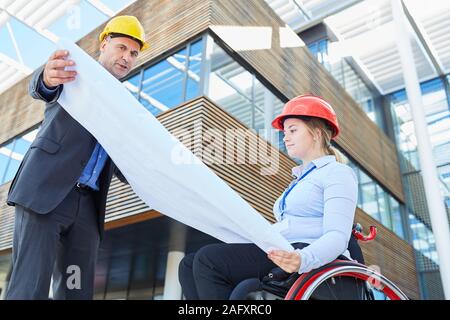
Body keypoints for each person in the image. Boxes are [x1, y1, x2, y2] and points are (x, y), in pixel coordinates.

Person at [5, 15, 149, 300]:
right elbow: (43, 86)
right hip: (47, 192)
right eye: (121, 47)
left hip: (87, 208)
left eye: (133, 53)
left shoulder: (126, 106)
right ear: (104, 43)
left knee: (76, 291)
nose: (127, 57)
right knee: (29, 287)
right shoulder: (74, 72)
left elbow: (122, 163)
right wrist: (46, 77)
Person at [178, 94, 359, 300]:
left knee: (208, 260)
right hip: (282, 248)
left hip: (305, 252)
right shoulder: (299, 179)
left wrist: (303, 258)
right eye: (284, 132)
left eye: (293, 130)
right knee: (188, 264)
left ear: (316, 133)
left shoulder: (337, 173)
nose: (285, 137)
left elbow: (337, 236)